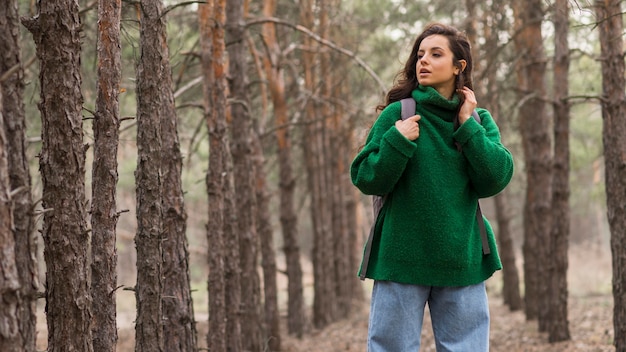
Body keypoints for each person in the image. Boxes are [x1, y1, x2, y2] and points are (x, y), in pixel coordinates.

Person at [350, 23, 514, 351]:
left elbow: (495, 178)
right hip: (400, 258)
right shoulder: (400, 113)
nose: (423, 61)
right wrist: (397, 140)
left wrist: (468, 128)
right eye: (420, 54)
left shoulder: (477, 120)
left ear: (459, 66)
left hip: (461, 260)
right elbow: (365, 177)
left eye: (435, 54)